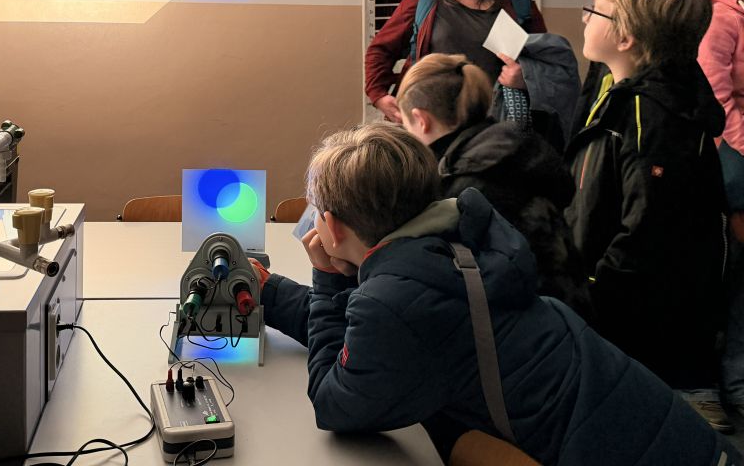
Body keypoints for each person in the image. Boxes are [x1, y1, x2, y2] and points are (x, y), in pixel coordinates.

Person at [302, 122, 737, 465]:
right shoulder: (461, 245)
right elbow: (371, 338)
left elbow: (334, 403)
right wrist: (275, 290)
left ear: (333, 227)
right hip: (678, 441)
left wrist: (326, 277)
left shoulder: (392, 304)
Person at [565, 0, 729, 429]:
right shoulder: (608, 83)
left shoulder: (655, 119)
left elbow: (645, 235)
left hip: (627, 321)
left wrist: (589, 294)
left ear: (626, 38)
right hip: (601, 297)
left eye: (595, 9)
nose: (584, 17)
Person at [396, 52, 591, 317]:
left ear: (421, 120)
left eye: (406, 125)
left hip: (529, 325)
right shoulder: (513, 150)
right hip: (571, 314)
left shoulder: (467, 188)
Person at [364, 0, 546, 123]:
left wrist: (526, 80)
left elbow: (549, 69)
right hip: (427, 125)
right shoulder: (423, 0)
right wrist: (378, 94)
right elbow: (380, 50)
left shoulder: (519, 8)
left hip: (494, 130)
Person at [698, 0, 744, 416]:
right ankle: (732, 380)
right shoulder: (721, 15)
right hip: (731, 146)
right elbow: (718, 100)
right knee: (735, 271)